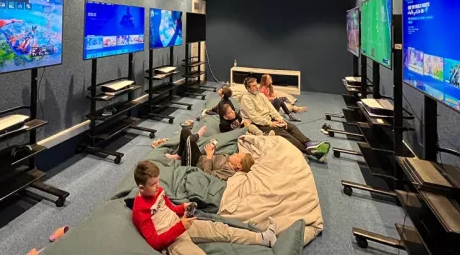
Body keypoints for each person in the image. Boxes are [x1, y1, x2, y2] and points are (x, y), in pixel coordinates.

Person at [132, 161, 277, 253]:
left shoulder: (158, 191)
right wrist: (180, 227)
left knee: (221, 229)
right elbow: (154, 242)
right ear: (141, 188)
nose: (158, 186)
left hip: (180, 223)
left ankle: (263, 238)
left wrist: (183, 207)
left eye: (158, 181)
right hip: (171, 239)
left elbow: (171, 208)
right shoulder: (140, 211)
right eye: (153, 184)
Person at [240, 77, 331, 163]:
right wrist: (270, 123)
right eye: (253, 86)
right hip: (259, 124)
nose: (257, 87)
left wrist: (280, 119)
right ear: (248, 89)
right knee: (283, 132)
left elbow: (272, 109)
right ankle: (313, 152)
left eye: (256, 84)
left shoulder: (261, 95)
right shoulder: (246, 99)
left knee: (291, 126)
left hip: (269, 118)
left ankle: (309, 143)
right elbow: (254, 117)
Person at [166, 125, 255, 180]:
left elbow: (208, 174)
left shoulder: (228, 171)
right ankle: (179, 155)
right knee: (185, 130)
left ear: (239, 165)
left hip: (193, 164)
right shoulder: (228, 158)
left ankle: (197, 136)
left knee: (191, 140)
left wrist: (209, 156)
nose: (235, 153)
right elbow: (215, 159)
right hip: (200, 157)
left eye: (237, 155)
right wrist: (212, 149)